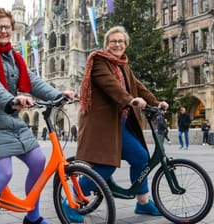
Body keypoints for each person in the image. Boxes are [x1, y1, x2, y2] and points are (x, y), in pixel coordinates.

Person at [0, 7, 74, 224]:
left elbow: (32, 81)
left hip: (7, 117)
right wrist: (11, 100)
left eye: (7, 27)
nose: (3, 30)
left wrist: (58, 95)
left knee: (39, 160)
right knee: (3, 173)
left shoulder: (13, 56)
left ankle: (33, 217)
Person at [69, 26, 168, 222]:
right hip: (101, 126)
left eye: (121, 41)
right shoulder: (99, 61)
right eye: (113, 41)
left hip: (119, 124)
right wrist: (130, 101)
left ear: (125, 44)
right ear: (107, 44)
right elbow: (110, 85)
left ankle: (143, 203)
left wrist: (156, 103)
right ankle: (71, 201)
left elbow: (137, 86)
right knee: (106, 166)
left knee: (140, 157)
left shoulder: (123, 65)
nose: (117, 44)